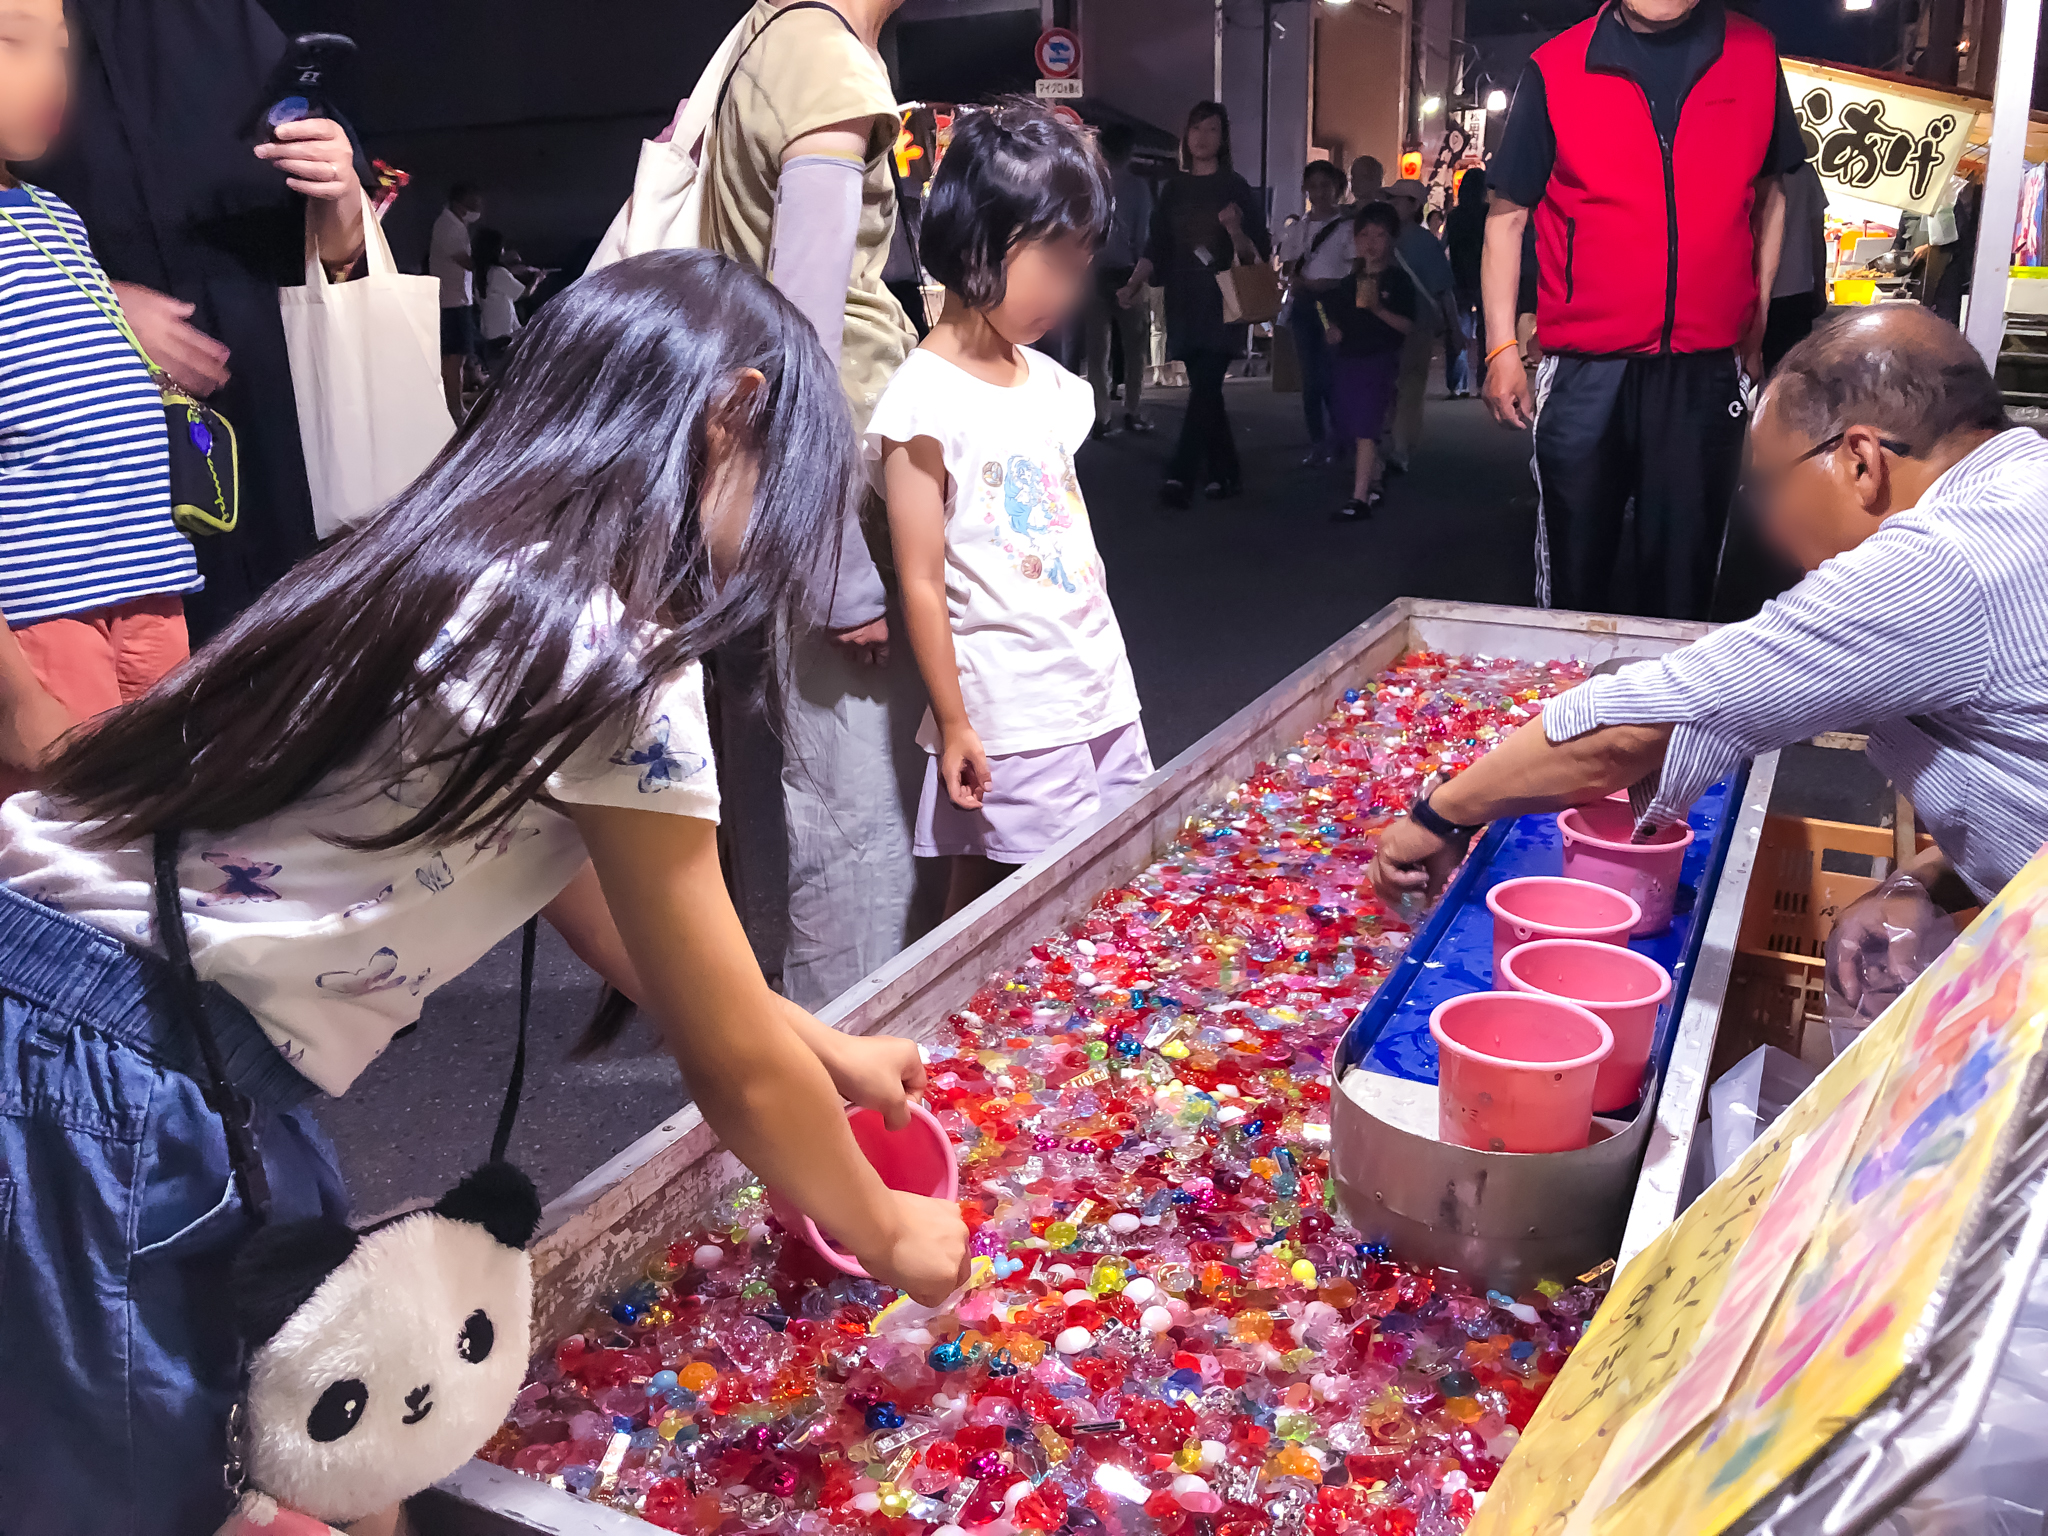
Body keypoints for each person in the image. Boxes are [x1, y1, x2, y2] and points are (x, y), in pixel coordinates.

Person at [0, 249, 972, 1530]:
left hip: (73, 1016)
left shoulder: (441, 560)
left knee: (252, 1453)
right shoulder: (608, 647)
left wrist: (829, 1051)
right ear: (728, 414)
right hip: (127, 1084)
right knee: (147, 1492)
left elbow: (635, 939)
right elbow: (731, 1068)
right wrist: (893, 1235)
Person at [1369, 308, 2048, 942]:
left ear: (1861, 462)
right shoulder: (2022, 488)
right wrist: (1922, 878)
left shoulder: (1941, 561)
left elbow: (1638, 723)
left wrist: (1439, 815)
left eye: (1768, 484)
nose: (1768, 525)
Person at [697, 0, 939, 1009]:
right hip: (832, 511)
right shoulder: (826, 68)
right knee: (858, 833)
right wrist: (840, 570)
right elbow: (799, 335)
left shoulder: (767, 40)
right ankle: (847, 1108)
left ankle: (825, 1083)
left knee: (826, 815)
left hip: (790, 502)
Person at [871, 102, 1148, 920]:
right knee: (1009, 892)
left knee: (1102, 867)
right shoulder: (922, 399)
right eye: (1056, 263)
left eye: (1081, 264)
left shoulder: (1051, 385)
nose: (1071, 288)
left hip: (1095, 683)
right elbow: (920, 582)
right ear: (978, 243)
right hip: (1010, 708)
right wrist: (954, 722)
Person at [25, 0, 368, 642]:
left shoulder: (218, 20)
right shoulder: (28, 25)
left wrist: (342, 187)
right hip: (89, 432)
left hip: (270, 404)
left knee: (285, 645)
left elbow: (339, 250)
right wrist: (95, 303)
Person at [1481, 0, 1807, 621]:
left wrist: (1757, 318)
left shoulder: (1754, 54)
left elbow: (1771, 193)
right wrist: (1500, 348)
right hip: (1584, 367)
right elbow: (1508, 217)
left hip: (1706, 364)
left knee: (1684, 575)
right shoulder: (1556, 65)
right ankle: (1571, 709)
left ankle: (1671, 718)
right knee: (1575, 563)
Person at [0, 0, 202, 798]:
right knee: (68, 860)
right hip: (43, 612)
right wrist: (16, 696)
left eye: (60, 47)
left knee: (164, 829)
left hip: (148, 582)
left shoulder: (58, 218)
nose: (52, 73)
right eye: (12, 43)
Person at [1116, 101, 1270, 508]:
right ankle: (1226, 472)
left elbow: (1255, 254)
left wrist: (1235, 229)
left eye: (1212, 130)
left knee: (1205, 387)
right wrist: (1133, 284)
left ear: (1224, 139)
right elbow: (1157, 246)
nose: (1203, 138)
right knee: (1206, 391)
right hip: (1184, 297)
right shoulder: (1174, 189)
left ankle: (1180, 474)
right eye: (1197, 129)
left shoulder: (1235, 186)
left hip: (1223, 298)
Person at [1322, 203, 1417, 520]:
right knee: (1347, 423)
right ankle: (1374, 476)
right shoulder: (1348, 284)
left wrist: (1378, 309)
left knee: (1365, 426)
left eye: (1380, 234)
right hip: (1348, 359)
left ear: (1392, 239)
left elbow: (1407, 326)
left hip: (1379, 360)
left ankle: (1359, 498)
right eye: (1365, 234)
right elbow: (1336, 322)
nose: (1372, 242)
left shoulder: (1398, 281)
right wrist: (1333, 331)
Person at [1276, 158, 1353, 464]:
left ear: (1337, 188)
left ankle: (1339, 437)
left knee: (1331, 375)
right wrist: (1296, 279)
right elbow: (1288, 267)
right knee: (1311, 378)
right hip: (1307, 305)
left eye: (1326, 186)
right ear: (1305, 189)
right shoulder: (1298, 229)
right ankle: (1319, 441)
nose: (1319, 192)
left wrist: (1327, 283)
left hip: (1332, 306)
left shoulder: (1348, 227)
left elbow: (1355, 270)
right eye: (1314, 186)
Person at [1083, 122, 1154, 438]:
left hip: (1092, 273)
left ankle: (1102, 416)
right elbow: (1144, 236)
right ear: (1130, 152)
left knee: (1098, 351)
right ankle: (1134, 411)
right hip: (1129, 272)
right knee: (1135, 347)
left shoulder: (1089, 184)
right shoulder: (1138, 187)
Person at [1383, 177, 1457, 473]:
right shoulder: (1426, 242)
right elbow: (1443, 289)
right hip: (1417, 324)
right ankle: (1401, 449)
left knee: (1392, 385)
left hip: (1391, 323)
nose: (1390, 204)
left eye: (1396, 199)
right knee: (1410, 388)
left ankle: (1390, 444)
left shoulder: (1382, 237)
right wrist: (1454, 329)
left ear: (1414, 204)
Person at [431, 182, 485, 418]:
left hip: (457, 299)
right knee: (454, 359)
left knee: (457, 357)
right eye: (472, 205)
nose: (476, 211)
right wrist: (493, 261)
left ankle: (454, 405)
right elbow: (467, 262)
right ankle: (454, 408)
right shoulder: (448, 226)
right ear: (458, 204)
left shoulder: (455, 225)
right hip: (451, 302)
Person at [1443, 167, 1489, 397]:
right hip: (1485, 277)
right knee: (1486, 332)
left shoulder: (1454, 216)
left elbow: (1445, 246)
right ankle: (1485, 380)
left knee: (1458, 329)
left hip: (1458, 277)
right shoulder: (1488, 214)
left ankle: (1458, 384)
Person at [474, 226, 544, 375]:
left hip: (489, 337)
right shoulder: (498, 272)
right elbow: (525, 293)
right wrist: (537, 279)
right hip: (504, 337)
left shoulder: (480, 273)